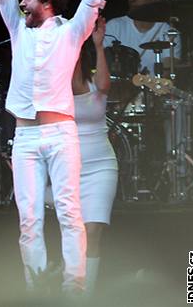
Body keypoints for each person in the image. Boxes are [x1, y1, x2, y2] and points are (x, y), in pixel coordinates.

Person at [0, 0, 127, 294]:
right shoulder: (18, 29)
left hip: (61, 134)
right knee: (28, 218)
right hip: (26, 136)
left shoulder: (70, 31)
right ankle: (36, 291)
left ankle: (73, 290)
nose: (21, 0)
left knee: (69, 213)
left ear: (45, 1)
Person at [70, 17, 118, 296]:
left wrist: (99, 45)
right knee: (75, 233)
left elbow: (105, 84)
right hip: (68, 165)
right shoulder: (58, 87)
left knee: (93, 231)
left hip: (101, 166)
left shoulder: (94, 83)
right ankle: (70, 285)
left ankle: (85, 296)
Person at [103, 0, 182, 75]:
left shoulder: (169, 33)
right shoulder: (114, 26)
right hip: (119, 89)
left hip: (155, 89)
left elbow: (168, 74)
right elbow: (104, 66)